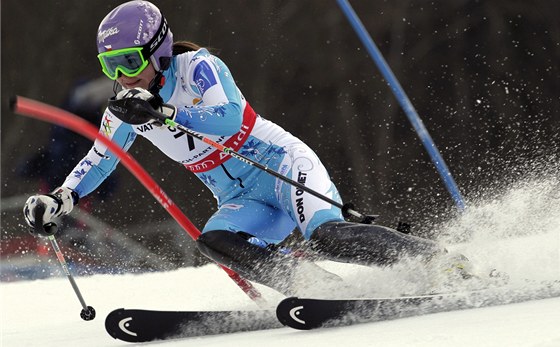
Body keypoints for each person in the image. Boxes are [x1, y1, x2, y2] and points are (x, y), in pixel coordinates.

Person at [23, 0, 474, 295]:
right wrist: (61, 199)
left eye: (131, 62)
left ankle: (442, 263)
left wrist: (165, 113)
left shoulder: (199, 67)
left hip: (282, 167)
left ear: (158, 52)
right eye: (110, 65)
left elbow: (229, 118)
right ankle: (318, 289)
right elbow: (99, 158)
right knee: (214, 240)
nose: (123, 75)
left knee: (329, 236)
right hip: (241, 199)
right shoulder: (124, 107)